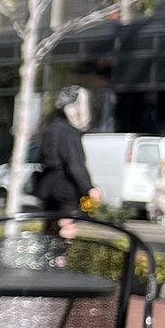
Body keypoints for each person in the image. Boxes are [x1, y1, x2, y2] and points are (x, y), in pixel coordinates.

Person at [32, 87, 97, 225]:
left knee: (50, 230)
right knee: (67, 229)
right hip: (65, 189)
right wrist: (88, 188)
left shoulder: (49, 129)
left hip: (47, 187)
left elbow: (40, 157)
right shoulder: (69, 132)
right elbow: (74, 163)